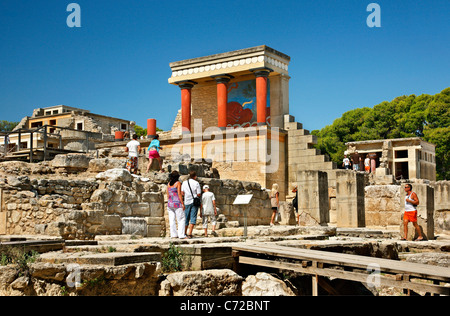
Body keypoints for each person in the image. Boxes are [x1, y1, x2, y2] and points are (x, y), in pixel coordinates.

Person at [181, 171, 201, 239]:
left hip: (186, 201)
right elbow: (198, 194)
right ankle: (190, 233)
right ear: (195, 176)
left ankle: (184, 232)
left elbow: (182, 193)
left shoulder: (184, 182)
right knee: (193, 217)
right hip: (194, 201)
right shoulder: (196, 183)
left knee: (186, 217)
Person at [167, 171, 186, 239]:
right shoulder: (178, 183)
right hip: (177, 203)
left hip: (170, 203)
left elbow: (168, 194)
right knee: (181, 219)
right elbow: (179, 194)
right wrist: (182, 203)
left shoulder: (169, 184)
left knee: (171, 220)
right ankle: (181, 235)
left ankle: (173, 234)